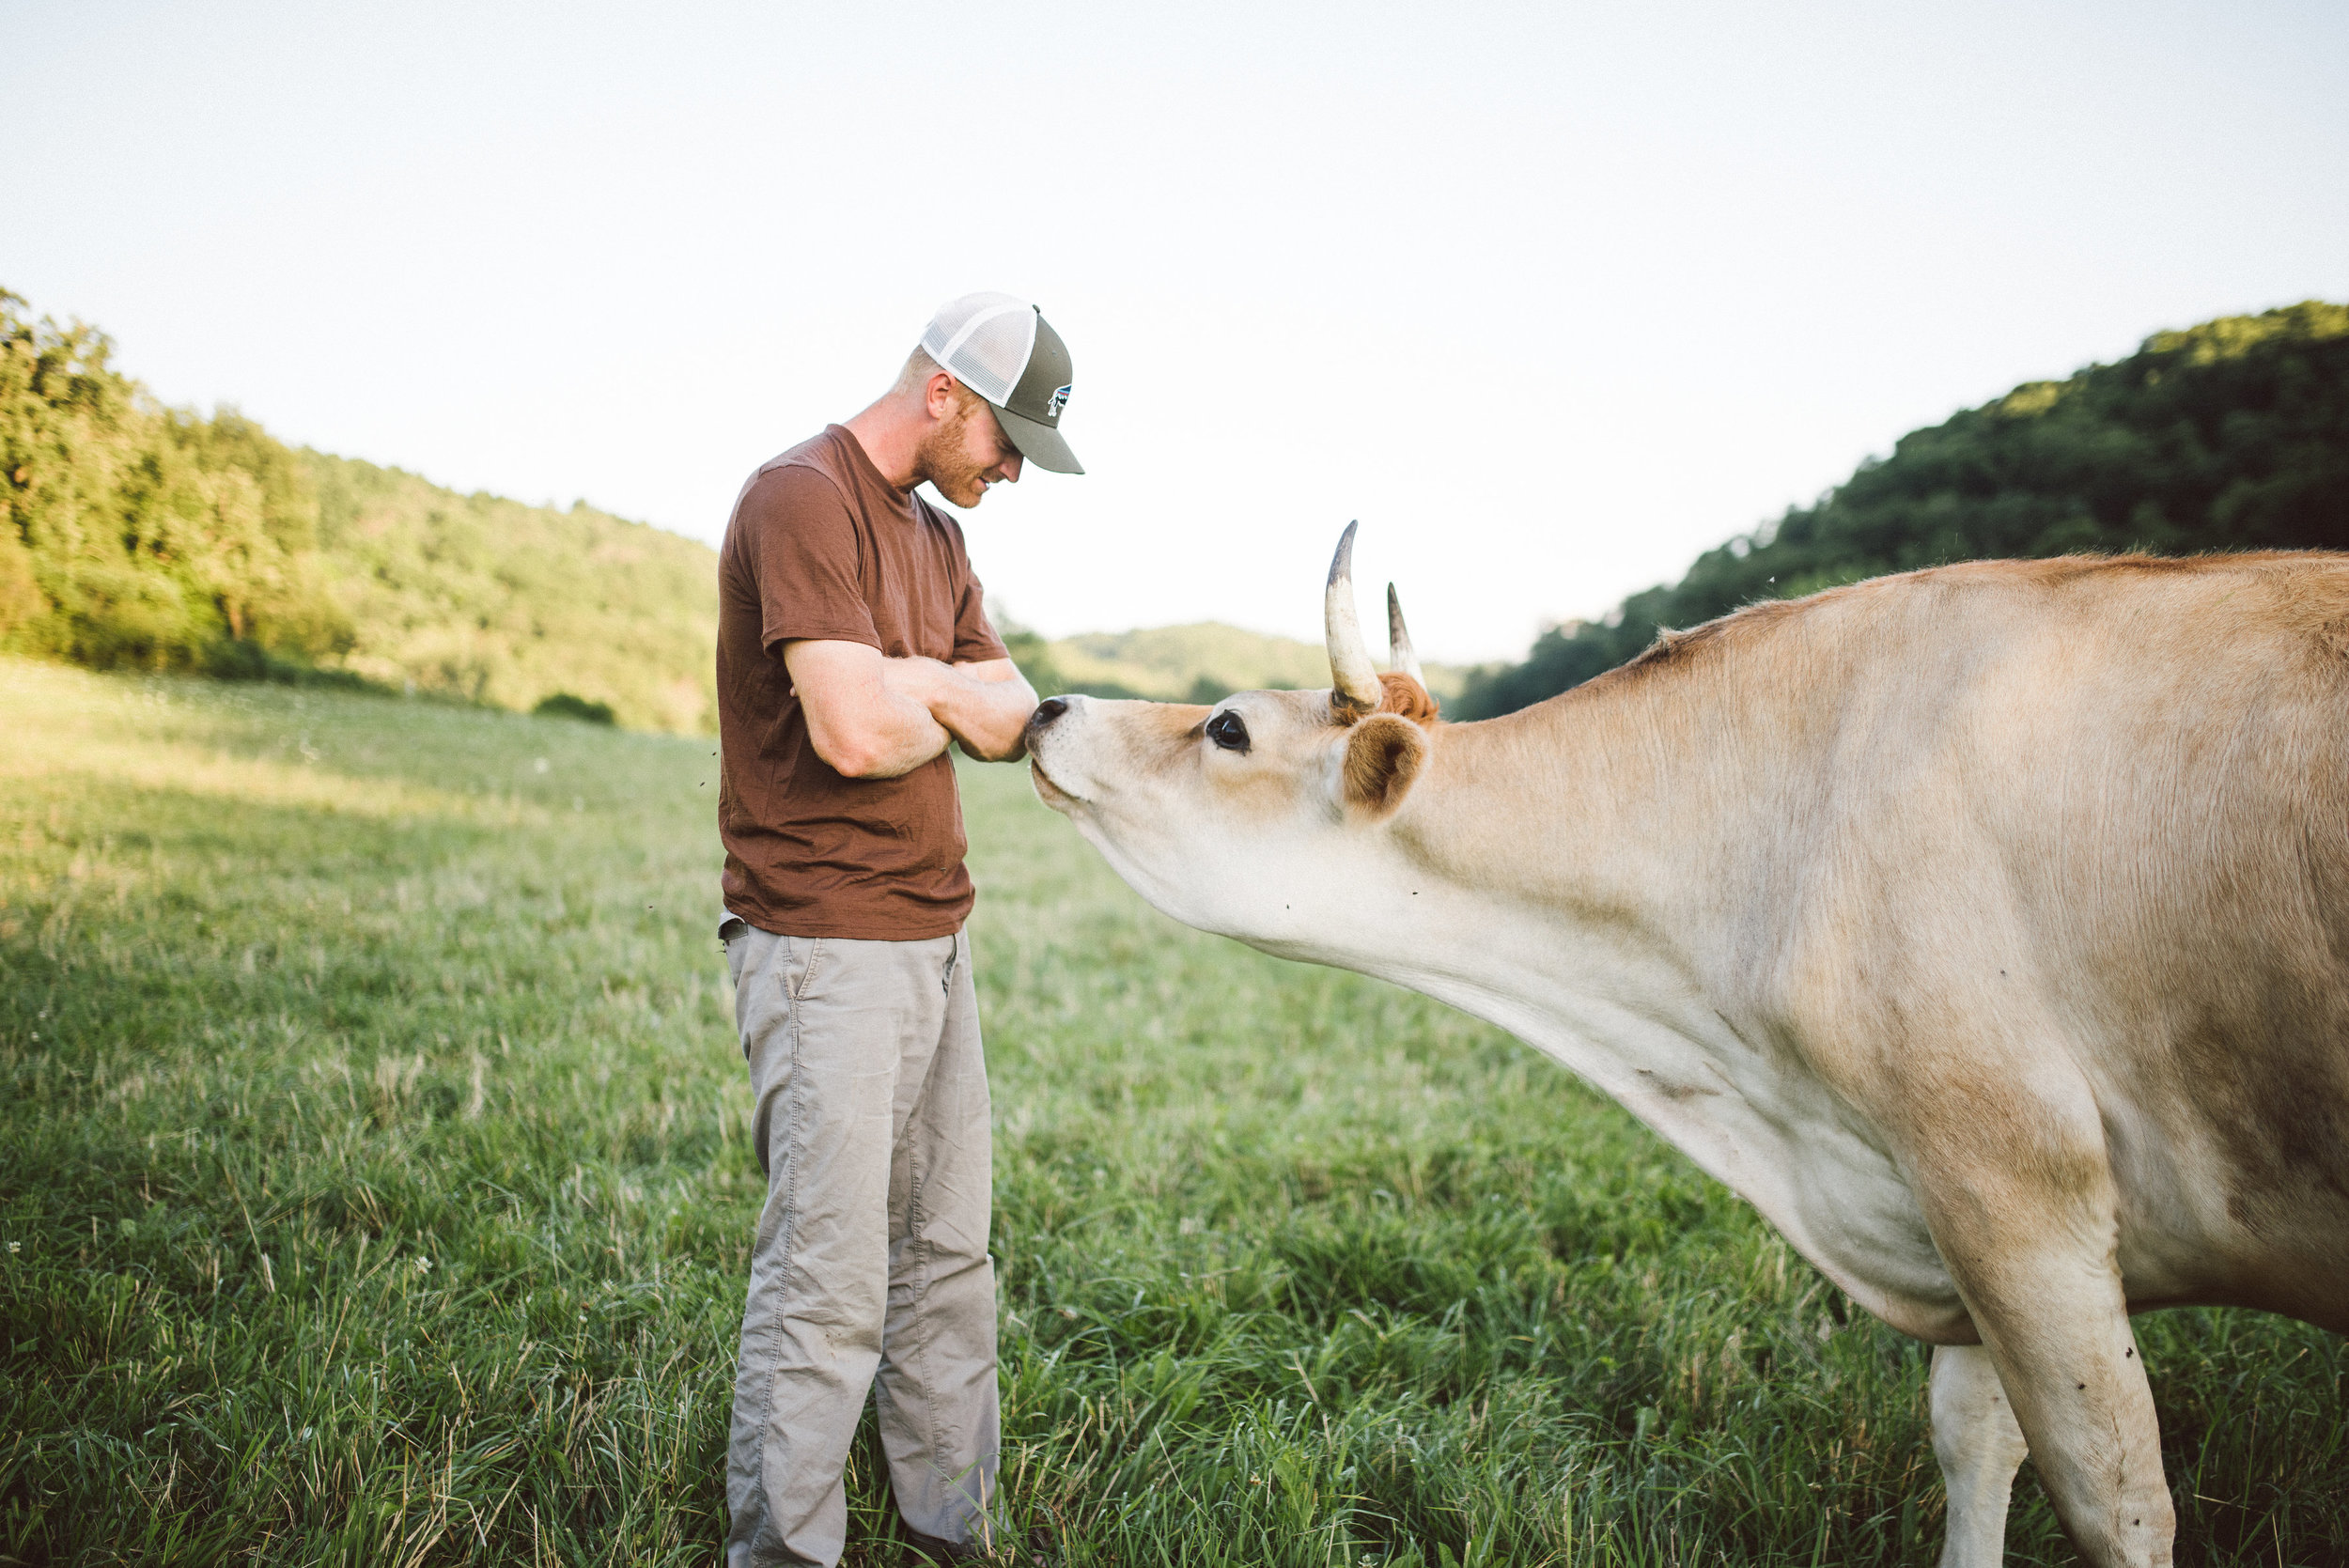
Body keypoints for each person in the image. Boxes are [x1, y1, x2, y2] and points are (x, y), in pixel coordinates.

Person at [713, 292, 1081, 1565]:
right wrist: (927, 691)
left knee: (946, 1252)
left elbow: (1010, 710)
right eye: (1007, 439)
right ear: (943, 395)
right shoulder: (800, 498)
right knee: (827, 1278)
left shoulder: (940, 540)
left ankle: (945, 1525)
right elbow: (855, 735)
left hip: (935, 937)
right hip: (826, 945)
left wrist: (904, 676)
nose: (1015, 469)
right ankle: (785, 1552)